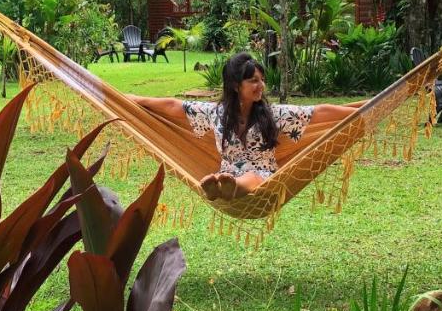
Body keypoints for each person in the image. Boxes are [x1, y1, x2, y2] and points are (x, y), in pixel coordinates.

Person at [128, 52, 362, 200]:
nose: (261, 86)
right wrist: (130, 100)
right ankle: (219, 188)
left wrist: (361, 111)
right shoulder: (215, 114)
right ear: (235, 85)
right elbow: (173, 106)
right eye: (253, 81)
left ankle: (228, 188)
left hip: (263, 178)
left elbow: (318, 112)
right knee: (225, 177)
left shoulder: (273, 114)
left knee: (250, 178)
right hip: (226, 173)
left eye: (261, 80)